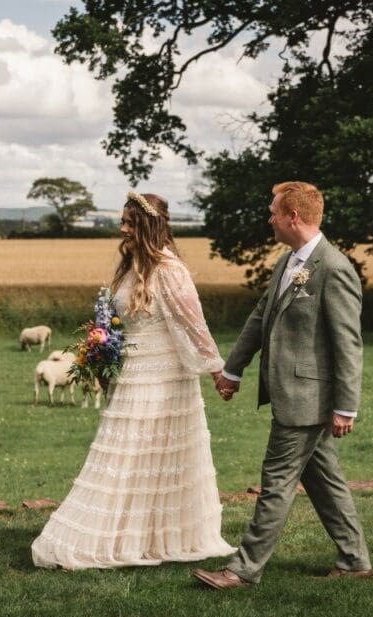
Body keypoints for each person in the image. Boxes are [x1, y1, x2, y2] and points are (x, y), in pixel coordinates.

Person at [31, 191, 236, 569]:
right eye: (123, 221)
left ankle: (156, 538)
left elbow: (194, 325)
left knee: (151, 454)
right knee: (125, 453)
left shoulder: (171, 269)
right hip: (131, 371)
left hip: (164, 377)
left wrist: (217, 372)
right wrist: (101, 349)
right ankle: (128, 534)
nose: (122, 228)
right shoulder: (130, 267)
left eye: (129, 222)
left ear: (148, 226)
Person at [192, 181, 372, 589]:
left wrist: (346, 406)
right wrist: (232, 370)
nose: (269, 219)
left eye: (274, 212)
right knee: (322, 479)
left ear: (293, 216)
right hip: (291, 396)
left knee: (275, 483)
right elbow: (260, 317)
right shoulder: (288, 262)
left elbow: (348, 343)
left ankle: (242, 570)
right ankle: (355, 559)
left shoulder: (335, 268)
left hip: (308, 399)